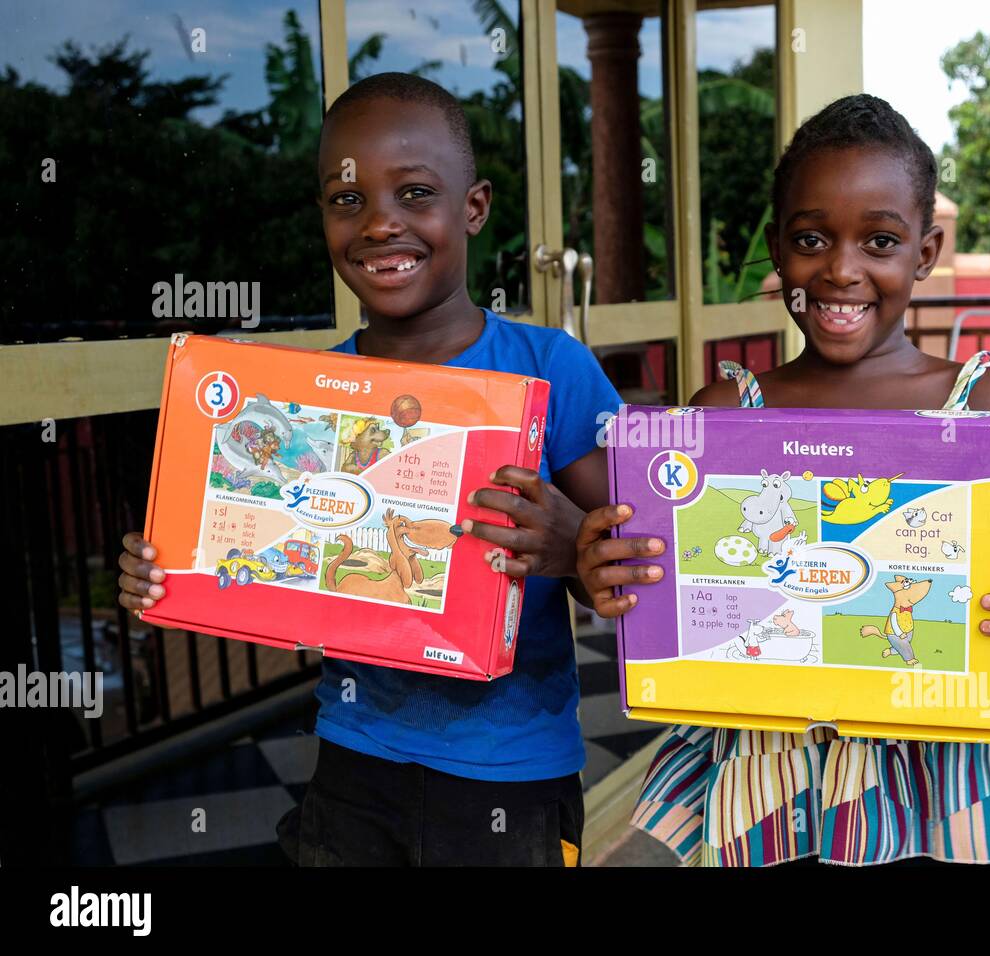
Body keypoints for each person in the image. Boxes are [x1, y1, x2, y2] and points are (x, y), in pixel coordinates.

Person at [575, 94, 990, 868]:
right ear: (779, 251)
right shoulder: (722, 414)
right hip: (767, 764)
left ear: (925, 253)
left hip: (948, 768)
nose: (842, 269)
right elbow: (663, 597)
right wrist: (606, 577)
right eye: (811, 239)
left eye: (880, 240)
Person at [117, 73, 622, 866]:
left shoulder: (551, 369)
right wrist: (165, 572)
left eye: (415, 193)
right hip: (356, 755)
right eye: (347, 201)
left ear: (475, 207)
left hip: (509, 773)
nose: (381, 224)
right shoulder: (313, 400)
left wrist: (570, 547)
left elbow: (636, 580)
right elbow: (257, 554)